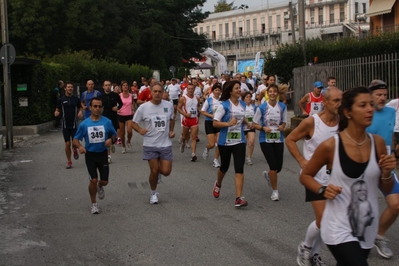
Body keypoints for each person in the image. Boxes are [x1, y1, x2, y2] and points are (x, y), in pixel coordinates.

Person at [299, 86, 395, 265]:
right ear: (348, 112)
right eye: (363, 105)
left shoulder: (378, 143)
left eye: (371, 105)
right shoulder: (331, 145)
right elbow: (305, 176)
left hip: (366, 225)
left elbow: (386, 187)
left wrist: (387, 173)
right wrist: (323, 190)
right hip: (338, 225)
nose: (370, 109)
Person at [285, 87, 342, 266]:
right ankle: (306, 247)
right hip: (313, 177)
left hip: (335, 178)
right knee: (324, 218)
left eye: (342, 100)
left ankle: (315, 254)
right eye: (336, 101)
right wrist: (302, 161)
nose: (340, 104)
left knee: (330, 220)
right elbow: (290, 139)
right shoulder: (312, 122)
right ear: (324, 102)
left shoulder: (343, 122)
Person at [365, 79, 399, 259]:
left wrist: (392, 152)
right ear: (371, 95)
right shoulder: (363, 112)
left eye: (385, 95)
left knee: (396, 204)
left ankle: (379, 235)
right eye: (378, 95)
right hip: (365, 165)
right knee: (361, 206)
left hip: (385, 165)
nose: (382, 98)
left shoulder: (391, 111)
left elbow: (390, 134)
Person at [132, 82, 175, 204]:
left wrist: (171, 131)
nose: (157, 93)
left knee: (166, 172)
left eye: (159, 91)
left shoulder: (168, 105)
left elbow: (171, 119)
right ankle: (153, 193)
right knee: (154, 170)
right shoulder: (143, 108)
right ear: (150, 93)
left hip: (165, 143)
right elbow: (133, 123)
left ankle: (158, 176)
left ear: (163, 93)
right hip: (150, 144)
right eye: (154, 91)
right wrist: (140, 129)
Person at [73, 97, 117, 214]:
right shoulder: (84, 124)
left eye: (99, 107)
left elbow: (115, 136)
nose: (97, 109)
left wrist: (111, 141)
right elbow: (75, 140)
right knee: (93, 180)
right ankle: (94, 204)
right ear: (90, 107)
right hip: (90, 155)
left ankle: (100, 185)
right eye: (95, 106)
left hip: (103, 154)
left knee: (104, 181)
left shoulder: (107, 122)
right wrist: (80, 147)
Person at [212, 80, 249, 208]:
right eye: (237, 88)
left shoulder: (243, 104)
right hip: (225, 141)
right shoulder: (224, 106)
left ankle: (238, 198)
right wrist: (228, 124)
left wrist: (247, 122)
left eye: (240, 88)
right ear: (230, 91)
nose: (239, 90)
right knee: (224, 167)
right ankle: (218, 183)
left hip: (239, 140)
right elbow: (215, 123)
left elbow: (241, 117)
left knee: (239, 168)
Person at [253, 84, 287, 201]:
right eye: (270, 92)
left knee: (279, 167)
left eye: (274, 91)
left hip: (278, 139)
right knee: (273, 166)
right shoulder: (262, 107)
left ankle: (268, 175)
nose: (272, 93)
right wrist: (263, 128)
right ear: (267, 94)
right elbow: (254, 124)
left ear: (277, 94)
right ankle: (275, 191)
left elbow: (284, 122)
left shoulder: (282, 107)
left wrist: (282, 126)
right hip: (265, 139)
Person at [54, 81, 83, 169]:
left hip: (74, 124)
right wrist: (56, 112)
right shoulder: (61, 100)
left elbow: (80, 107)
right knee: (67, 144)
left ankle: (74, 149)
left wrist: (80, 112)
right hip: (65, 125)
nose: (70, 88)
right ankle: (69, 161)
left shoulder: (76, 99)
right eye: (68, 87)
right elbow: (57, 109)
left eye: (71, 87)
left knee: (74, 143)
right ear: (65, 88)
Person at [100, 80, 123, 163]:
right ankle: (108, 156)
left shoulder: (115, 95)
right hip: (105, 117)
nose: (108, 87)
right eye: (106, 85)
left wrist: (117, 108)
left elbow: (121, 103)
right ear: (103, 87)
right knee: (106, 136)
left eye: (109, 85)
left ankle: (113, 142)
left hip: (113, 117)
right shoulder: (101, 96)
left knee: (113, 135)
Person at [200, 82, 222, 168]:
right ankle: (207, 148)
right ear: (213, 91)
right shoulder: (209, 100)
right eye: (216, 90)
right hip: (209, 122)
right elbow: (202, 111)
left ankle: (215, 160)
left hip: (219, 123)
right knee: (212, 144)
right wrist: (211, 115)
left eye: (219, 90)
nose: (217, 92)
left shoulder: (223, 100)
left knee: (220, 143)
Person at [177, 83, 200, 161]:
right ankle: (183, 142)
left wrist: (200, 111)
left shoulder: (197, 98)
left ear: (194, 89)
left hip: (194, 120)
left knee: (194, 137)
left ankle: (193, 154)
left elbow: (198, 107)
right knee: (185, 136)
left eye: (192, 89)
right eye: (189, 89)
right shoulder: (183, 98)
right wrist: (185, 114)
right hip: (186, 119)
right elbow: (178, 108)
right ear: (187, 89)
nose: (190, 90)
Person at [117, 81, 134, 154]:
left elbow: (132, 103)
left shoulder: (131, 95)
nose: (125, 86)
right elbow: (116, 104)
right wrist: (117, 110)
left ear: (128, 87)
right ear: (121, 87)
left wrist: (133, 109)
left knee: (129, 131)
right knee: (122, 133)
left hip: (129, 115)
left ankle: (129, 141)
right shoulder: (119, 95)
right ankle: (123, 146)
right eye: (124, 85)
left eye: (126, 85)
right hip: (121, 115)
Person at [242, 91, 256, 165]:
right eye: (247, 97)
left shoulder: (254, 107)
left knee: (251, 142)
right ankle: (241, 156)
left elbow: (257, 117)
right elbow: (240, 117)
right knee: (243, 144)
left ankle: (249, 158)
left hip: (251, 127)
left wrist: (253, 123)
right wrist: (247, 122)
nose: (249, 98)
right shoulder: (241, 106)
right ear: (243, 98)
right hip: (242, 127)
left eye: (250, 97)